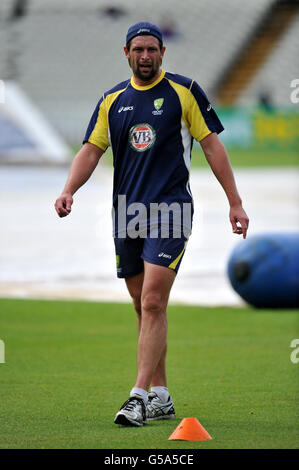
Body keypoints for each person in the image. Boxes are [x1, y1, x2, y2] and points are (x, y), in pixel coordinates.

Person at [55, 21, 249, 427]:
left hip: (171, 210)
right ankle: (161, 394)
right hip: (126, 212)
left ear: (163, 52)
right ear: (126, 52)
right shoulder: (112, 100)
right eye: (138, 50)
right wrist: (69, 189)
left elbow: (213, 146)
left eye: (152, 50)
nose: (146, 56)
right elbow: (91, 149)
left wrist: (235, 202)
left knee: (153, 301)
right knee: (142, 304)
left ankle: (138, 397)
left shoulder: (184, 91)